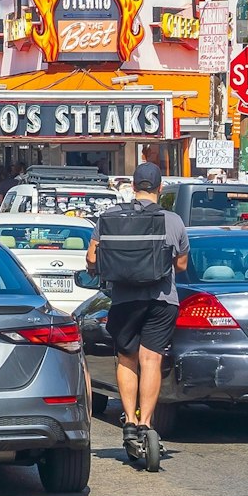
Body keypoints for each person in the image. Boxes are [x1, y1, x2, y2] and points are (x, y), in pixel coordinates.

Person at [87, 163, 188, 465]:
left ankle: (129, 420)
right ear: (159, 188)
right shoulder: (173, 221)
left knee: (127, 358)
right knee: (151, 359)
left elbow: (92, 258)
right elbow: (181, 266)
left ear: (133, 187)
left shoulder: (110, 219)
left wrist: (99, 268)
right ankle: (147, 424)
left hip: (124, 300)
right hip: (162, 300)